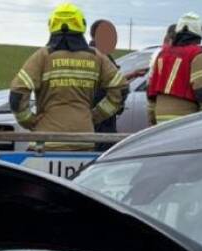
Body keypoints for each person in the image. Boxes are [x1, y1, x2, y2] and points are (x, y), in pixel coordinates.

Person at [8, 4, 125, 150]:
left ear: (52, 25)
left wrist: (30, 121)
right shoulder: (97, 57)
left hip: (47, 141)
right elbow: (121, 89)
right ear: (81, 25)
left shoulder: (43, 56)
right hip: (84, 139)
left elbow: (17, 94)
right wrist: (95, 116)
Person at [147, 13, 202, 125]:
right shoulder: (197, 54)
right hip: (184, 118)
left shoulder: (162, 55)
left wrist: (151, 121)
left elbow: (151, 90)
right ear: (199, 31)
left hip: (159, 116)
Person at [89, 19, 126, 149]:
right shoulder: (101, 57)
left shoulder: (89, 54)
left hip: (95, 122)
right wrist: (97, 116)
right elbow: (120, 89)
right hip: (102, 126)